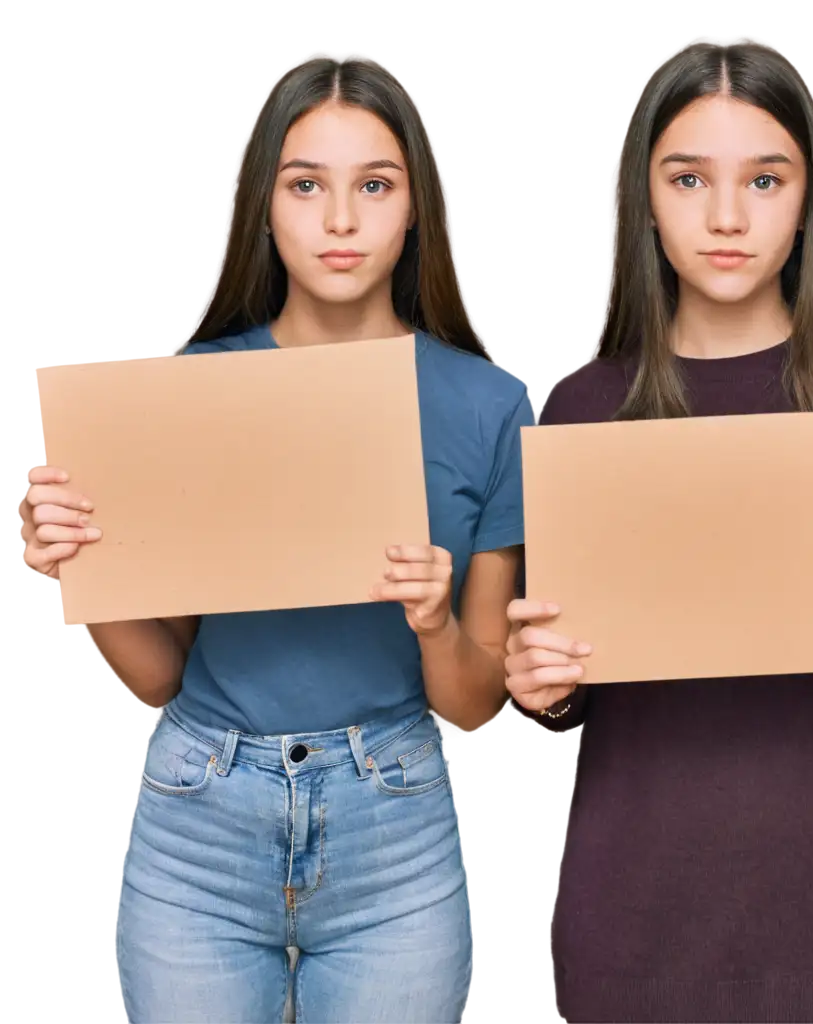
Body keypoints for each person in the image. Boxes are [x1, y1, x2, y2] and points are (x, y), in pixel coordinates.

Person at [19, 55, 532, 1024]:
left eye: (373, 185)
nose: (340, 221)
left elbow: (474, 706)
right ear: (264, 203)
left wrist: (432, 623)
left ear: (414, 205)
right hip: (197, 823)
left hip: (396, 833)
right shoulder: (189, 387)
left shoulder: (488, 405)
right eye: (306, 185)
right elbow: (156, 674)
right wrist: (81, 570)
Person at [504, 45, 813, 1024]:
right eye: (688, 178)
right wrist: (536, 683)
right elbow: (565, 683)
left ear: (806, 201)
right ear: (643, 199)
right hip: (637, 922)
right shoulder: (579, 406)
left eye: (763, 180)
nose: (725, 217)